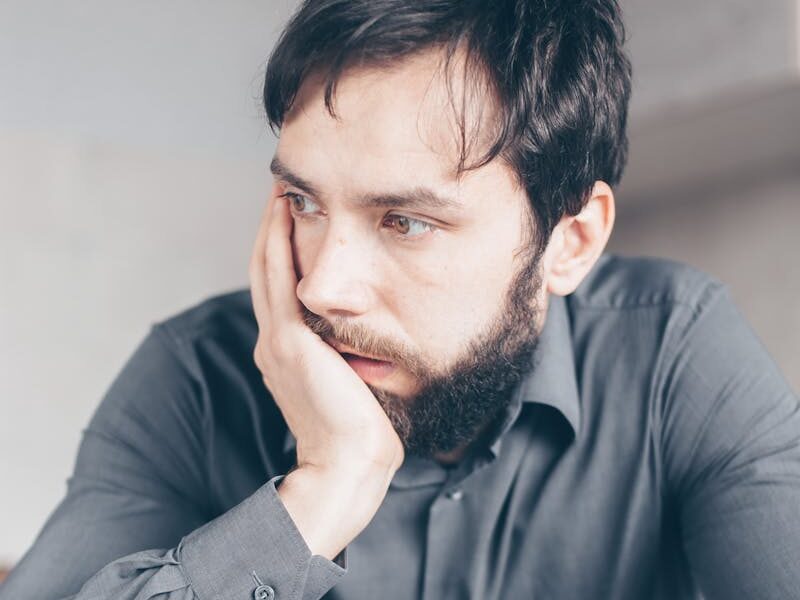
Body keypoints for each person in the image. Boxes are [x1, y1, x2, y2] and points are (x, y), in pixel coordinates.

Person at [3, 1, 799, 598]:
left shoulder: (675, 354)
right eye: (305, 203)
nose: (321, 286)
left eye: (406, 221)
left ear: (571, 241)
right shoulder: (194, 377)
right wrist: (324, 488)